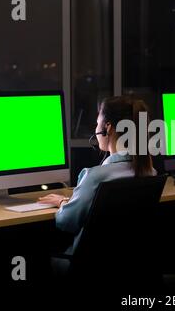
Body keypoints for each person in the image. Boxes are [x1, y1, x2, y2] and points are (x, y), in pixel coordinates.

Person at [38, 95, 155, 254]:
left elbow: (66, 222)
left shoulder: (95, 177)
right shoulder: (149, 171)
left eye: (97, 123)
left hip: (83, 269)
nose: (95, 129)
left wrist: (63, 203)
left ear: (107, 128)